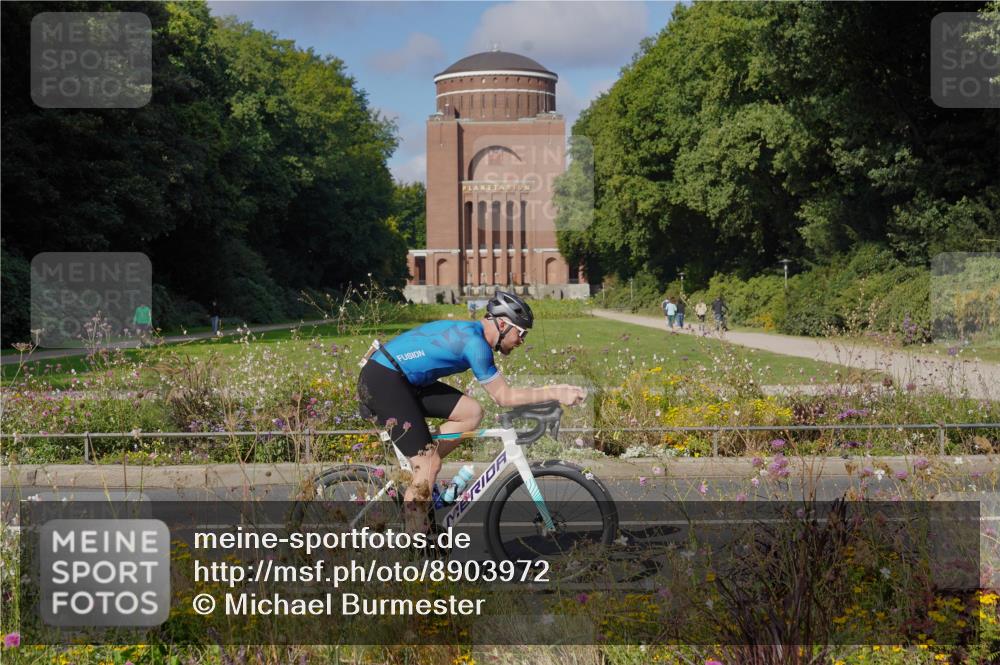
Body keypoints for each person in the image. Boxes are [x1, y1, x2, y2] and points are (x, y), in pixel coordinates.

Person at [356, 291, 586, 533]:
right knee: (428, 465)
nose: (521, 340)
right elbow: (504, 397)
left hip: (402, 379)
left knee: (472, 412)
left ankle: (422, 462)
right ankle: (416, 547)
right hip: (383, 380)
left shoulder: (474, 335)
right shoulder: (476, 345)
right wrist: (556, 391)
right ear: (502, 324)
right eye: (521, 332)